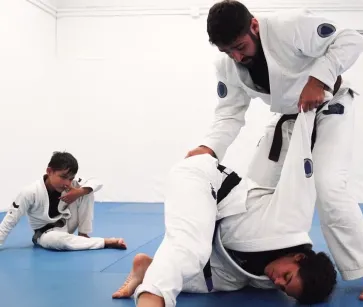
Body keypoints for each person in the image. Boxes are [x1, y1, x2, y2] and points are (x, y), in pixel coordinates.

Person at [185, 0, 363, 301]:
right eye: (228, 51)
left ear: (254, 26)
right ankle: (222, 263)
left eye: (240, 46)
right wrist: (208, 148)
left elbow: (351, 40)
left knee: (329, 186)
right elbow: (230, 113)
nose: (237, 56)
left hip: (330, 107)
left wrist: (317, 79)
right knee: (250, 193)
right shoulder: (228, 65)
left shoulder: (289, 26)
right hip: (289, 121)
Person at [112, 111, 337, 306]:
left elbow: (254, 278)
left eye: (283, 289)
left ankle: (148, 268)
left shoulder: (266, 280)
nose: (277, 282)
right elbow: (300, 164)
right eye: (286, 277)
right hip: (205, 182)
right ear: (298, 257)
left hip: (221, 242)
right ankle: (151, 298)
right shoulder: (290, 220)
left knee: (227, 283)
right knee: (189, 249)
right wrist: (309, 110)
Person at [0, 151, 127, 251]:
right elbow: (10, 221)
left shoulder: (71, 185)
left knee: (87, 191)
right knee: (59, 241)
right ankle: (104, 242)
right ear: (49, 171)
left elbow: (97, 182)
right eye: (63, 177)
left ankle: (83, 235)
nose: (67, 183)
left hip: (67, 224)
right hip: (47, 234)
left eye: (71, 178)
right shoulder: (30, 192)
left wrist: (79, 192)